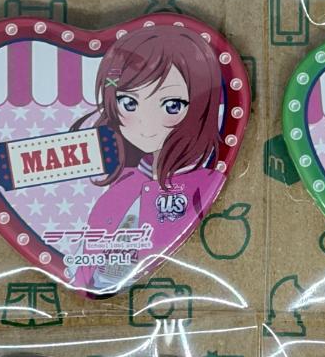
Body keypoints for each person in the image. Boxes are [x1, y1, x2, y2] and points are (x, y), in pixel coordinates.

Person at [69, 23, 225, 294]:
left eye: (172, 105)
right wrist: (79, 280)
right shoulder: (124, 180)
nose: (147, 124)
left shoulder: (203, 181)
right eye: (129, 103)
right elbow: (87, 248)